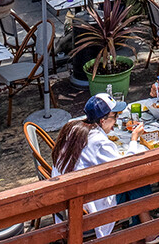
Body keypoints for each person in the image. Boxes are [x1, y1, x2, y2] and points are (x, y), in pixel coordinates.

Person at [51, 96, 128, 237]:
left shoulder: (73, 127)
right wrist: (134, 139)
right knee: (136, 186)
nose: (116, 120)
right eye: (115, 116)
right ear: (103, 120)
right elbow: (124, 168)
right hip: (84, 207)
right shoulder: (99, 142)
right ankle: (142, 232)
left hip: (65, 199)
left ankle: (142, 231)